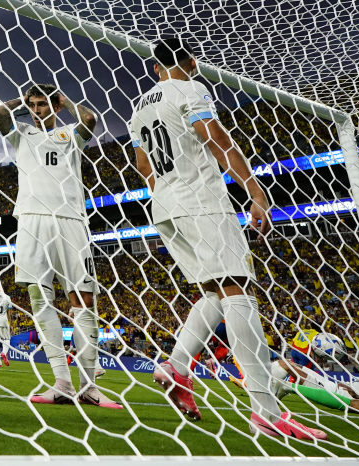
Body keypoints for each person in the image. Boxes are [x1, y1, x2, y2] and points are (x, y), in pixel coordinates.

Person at [129, 37, 326, 439]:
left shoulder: (137, 107)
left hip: (164, 206)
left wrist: (167, 193)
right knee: (238, 291)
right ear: (192, 62)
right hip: (201, 200)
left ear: (154, 69)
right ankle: (266, 411)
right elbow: (217, 138)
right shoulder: (192, 87)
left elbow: (141, 164)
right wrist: (255, 189)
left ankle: (177, 367)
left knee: (213, 292)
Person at [0, 84, 119, 409]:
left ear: (57, 106)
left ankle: (89, 386)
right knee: (38, 295)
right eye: (33, 105)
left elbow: (90, 118)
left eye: (44, 105)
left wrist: (65, 102)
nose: (38, 110)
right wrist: (22, 99)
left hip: (71, 219)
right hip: (32, 219)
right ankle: (61, 381)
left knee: (84, 299)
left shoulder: (69, 136)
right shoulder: (21, 135)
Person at [272, 349, 359, 401]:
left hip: (334, 394)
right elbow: (351, 358)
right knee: (287, 362)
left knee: (287, 366)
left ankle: (266, 384)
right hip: (330, 384)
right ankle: (282, 388)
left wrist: (356, 395)